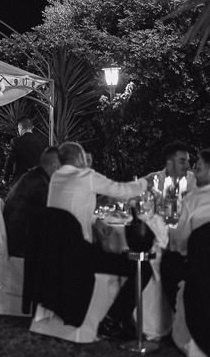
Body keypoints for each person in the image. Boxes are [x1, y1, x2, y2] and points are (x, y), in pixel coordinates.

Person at [47, 141, 153, 338]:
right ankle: (113, 320)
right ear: (80, 158)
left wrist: (95, 220)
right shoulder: (85, 175)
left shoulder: (56, 179)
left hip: (58, 253)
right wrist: (146, 181)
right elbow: (121, 190)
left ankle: (124, 319)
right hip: (80, 256)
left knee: (120, 255)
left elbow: (69, 210)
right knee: (141, 267)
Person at [161, 148, 210, 311]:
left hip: (198, 263)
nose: (191, 167)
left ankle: (173, 318)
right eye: (185, 161)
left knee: (168, 262)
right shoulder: (157, 180)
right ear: (170, 162)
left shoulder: (191, 199)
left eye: (197, 165)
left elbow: (177, 239)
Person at [3, 146, 60, 257]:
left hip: (15, 239)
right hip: (22, 246)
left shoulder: (32, 177)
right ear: (54, 165)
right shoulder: (40, 185)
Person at [3, 117, 46, 185]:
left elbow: (10, 161)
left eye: (18, 129)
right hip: (37, 180)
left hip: (21, 181)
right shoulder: (41, 141)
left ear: (21, 128)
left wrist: (6, 178)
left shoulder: (16, 142)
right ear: (31, 128)